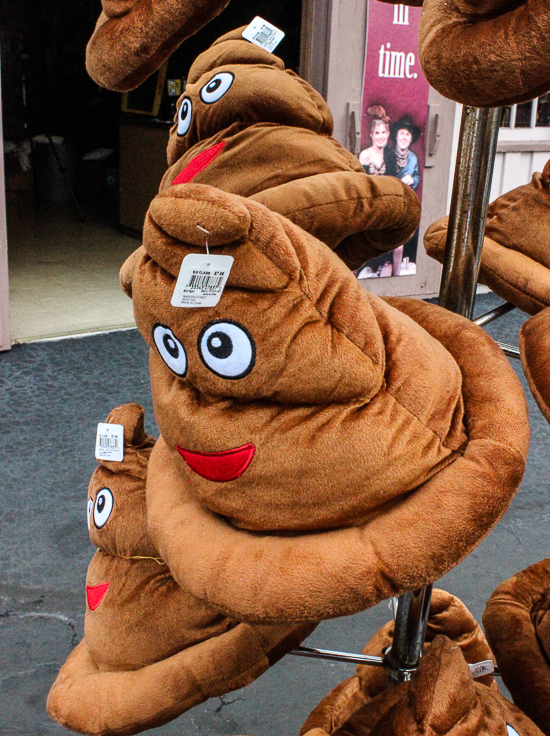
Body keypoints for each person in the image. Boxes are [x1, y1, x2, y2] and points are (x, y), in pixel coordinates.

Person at [359, 105, 397, 177]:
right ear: (371, 135)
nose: (380, 137)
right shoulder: (365, 155)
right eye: (377, 133)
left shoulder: (391, 156)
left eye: (383, 132)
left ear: (388, 134)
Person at [390, 115, 421, 190]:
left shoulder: (413, 158)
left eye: (407, 134)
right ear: (396, 136)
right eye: (402, 133)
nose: (404, 138)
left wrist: (413, 179)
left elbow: (417, 176)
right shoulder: (388, 154)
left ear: (411, 139)